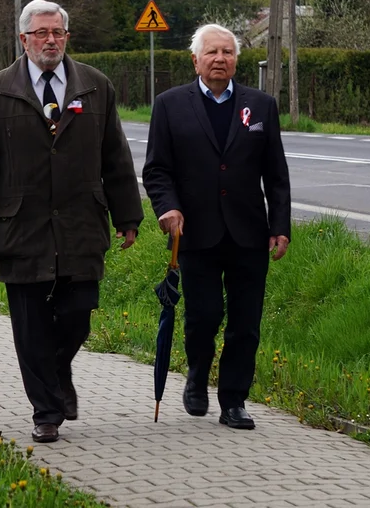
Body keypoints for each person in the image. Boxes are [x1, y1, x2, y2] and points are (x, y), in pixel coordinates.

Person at [0, 0, 143, 444]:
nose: (50, 40)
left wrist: (128, 215)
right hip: (20, 227)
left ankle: (58, 370)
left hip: (81, 224)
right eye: (40, 33)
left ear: (66, 37)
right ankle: (46, 411)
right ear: (23, 40)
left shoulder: (95, 87)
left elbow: (115, 156)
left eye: (57, 32)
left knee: (79, 313)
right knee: (31, 325)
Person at [142, 23, 292, 431]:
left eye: (227, 52)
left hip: (248, 233)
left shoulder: (260, 106)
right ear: (195, 60)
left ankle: (234, 400)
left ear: (236, 60)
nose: (220, 59)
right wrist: (167, 208)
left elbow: (276, 174)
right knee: (204, 316)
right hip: (196, 232)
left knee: (246, 322)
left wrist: (280, 226)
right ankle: (196, 375)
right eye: (212, 53)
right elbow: (156, 170)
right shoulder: (170, 105)